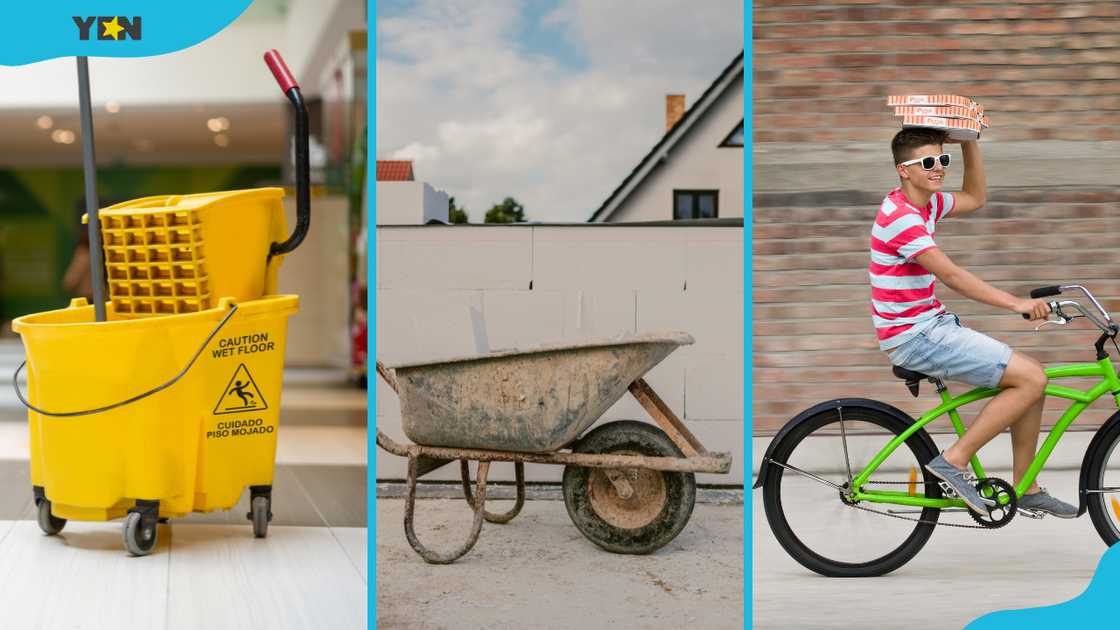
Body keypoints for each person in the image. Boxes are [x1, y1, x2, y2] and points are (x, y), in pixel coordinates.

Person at [869, 127, 1076, 517]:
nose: (938, 168)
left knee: (1032, 379)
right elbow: (952, 275)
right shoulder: (901, 217)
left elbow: (976, 197)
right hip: (915, 334)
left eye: (942, 159)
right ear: (903, 170)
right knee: (1031, 378)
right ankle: (953, 461)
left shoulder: (925, 204)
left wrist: (968, 142)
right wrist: (1016, 303)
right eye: (928, 162)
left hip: (929, 325)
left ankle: (1026, 486)